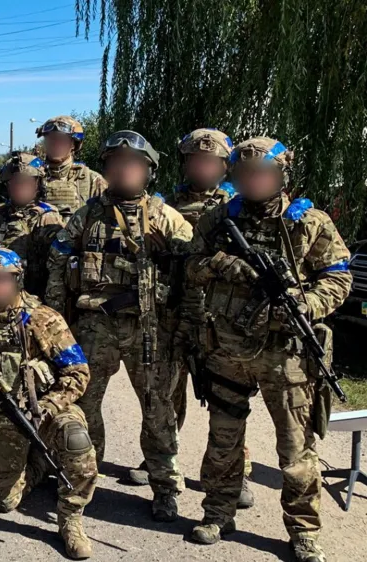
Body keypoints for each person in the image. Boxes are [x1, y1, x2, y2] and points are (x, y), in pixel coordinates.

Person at [185, 138, 351, 562]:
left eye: (262, 174)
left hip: (287, 354)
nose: (254, 181)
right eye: (245, 175)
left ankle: (303, 530)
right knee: (223, 439)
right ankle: (218, 512)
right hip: (227, 349)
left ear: (280, 176)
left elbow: (338, 278)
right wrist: (223, 264)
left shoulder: (309, 223)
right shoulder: (219, 219)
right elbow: (189, 265)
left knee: (296, 451)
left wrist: (305, 304)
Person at [45, 130, 192, 522]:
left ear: (148, 171)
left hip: (149, 328)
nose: (124, 170)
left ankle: (165, 487)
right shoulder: (88, 214)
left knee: (158, 409)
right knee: (84, 404)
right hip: (96, 326)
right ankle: (83, 478)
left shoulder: (164, 216)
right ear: (106, 169)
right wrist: (55, 321)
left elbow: (192, 271)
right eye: (116, 163)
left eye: (133, 164)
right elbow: (59, 262)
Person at [0, 246, 97, 559]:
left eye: (4, 280)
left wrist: (49, 406)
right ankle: (36, 463)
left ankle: (71, 518)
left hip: (44, 410)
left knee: (76, 440)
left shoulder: (42, 318)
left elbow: (78, 372)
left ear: (17, 281)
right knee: (4, 501)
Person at [126, 128, 256, 509]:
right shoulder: (164, 205)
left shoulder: (237, 206)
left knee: (226, 399)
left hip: (218, 320)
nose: (202, 167)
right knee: (167, 392)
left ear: (223, 166)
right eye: (196, 160)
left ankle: (237, 470)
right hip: (171, 313)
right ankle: (165, 462)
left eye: (211, 161)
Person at [0, 152, 65, 297]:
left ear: (38, 185)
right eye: (14, 182)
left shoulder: (47, 218)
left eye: (26, 182)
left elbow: (57, 267)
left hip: (34, 297)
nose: (19, 187)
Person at [35, 116, 107, 220]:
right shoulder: (33, 178)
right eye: (51, 139)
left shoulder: (92, 180)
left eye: (61, 140)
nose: (55, 144)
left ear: (74, 144)